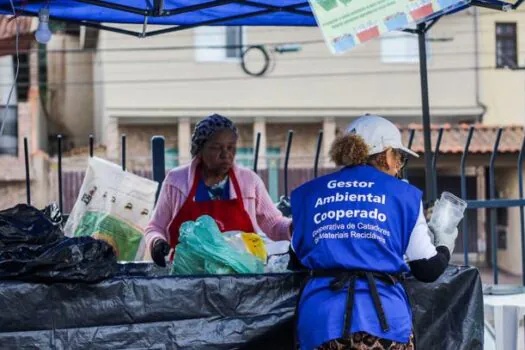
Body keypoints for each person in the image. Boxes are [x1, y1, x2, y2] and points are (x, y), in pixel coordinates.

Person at [290, 115, 457, 350]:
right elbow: (427, 268)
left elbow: (296, 259)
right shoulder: (403, 194)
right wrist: (445, 245)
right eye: (399, 157)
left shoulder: (309, 193)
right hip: (384, 324)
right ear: (387, 155)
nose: (399, 166)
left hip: (321, 323)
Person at [145, 114, 292, 266]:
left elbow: (274, 224)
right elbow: (155, 227)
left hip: (241, 275)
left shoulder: (249, 181)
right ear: (199, 150)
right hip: (187, 275)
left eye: (231, 147)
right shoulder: (176, 181)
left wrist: (293, 228)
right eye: (216, 148)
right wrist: (157, 243)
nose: (226, 154)